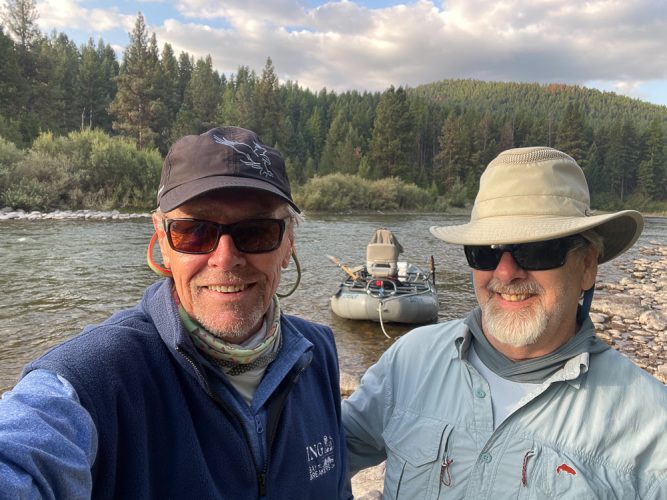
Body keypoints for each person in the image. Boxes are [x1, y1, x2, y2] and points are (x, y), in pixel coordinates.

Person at [0, 126, 352, 499]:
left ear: (288, 243)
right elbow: (25, 452)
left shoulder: (318, 352)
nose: (225, 257)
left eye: (257, 231)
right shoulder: (95, 378)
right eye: (194, 231)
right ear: (163, 240)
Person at [342, 146, 667, 498]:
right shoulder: (408, 361)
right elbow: (318, 456)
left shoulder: (652, 426)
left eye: (538, 249)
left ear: (588, 265)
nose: (506, 272)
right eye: (486, 251)